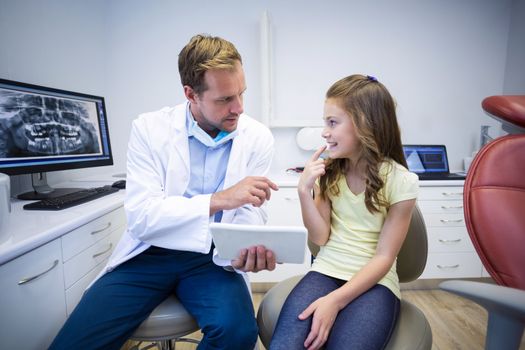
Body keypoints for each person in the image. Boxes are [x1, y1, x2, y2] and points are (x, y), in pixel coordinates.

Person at [49, 34, 279, 350]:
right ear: (190, 94)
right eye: (225, 99)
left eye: (241, 94)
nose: (238, 108)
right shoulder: (149, 129)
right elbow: (143, 217)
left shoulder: (257, 137)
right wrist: (219, 199)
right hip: (149, 252)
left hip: (212, 258)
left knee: (238, 333)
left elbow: (250, 209)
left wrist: (246, 250)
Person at [270, 74, 418, 350]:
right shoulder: (330, 172)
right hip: (326, 269)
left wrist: (335, 301)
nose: (324, 131)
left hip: (376, 281)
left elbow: (385, 257)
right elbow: (320, 237)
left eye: (333, 122)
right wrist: (305, 191)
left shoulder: (401, 181)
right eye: (325, 122)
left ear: (365, 125)